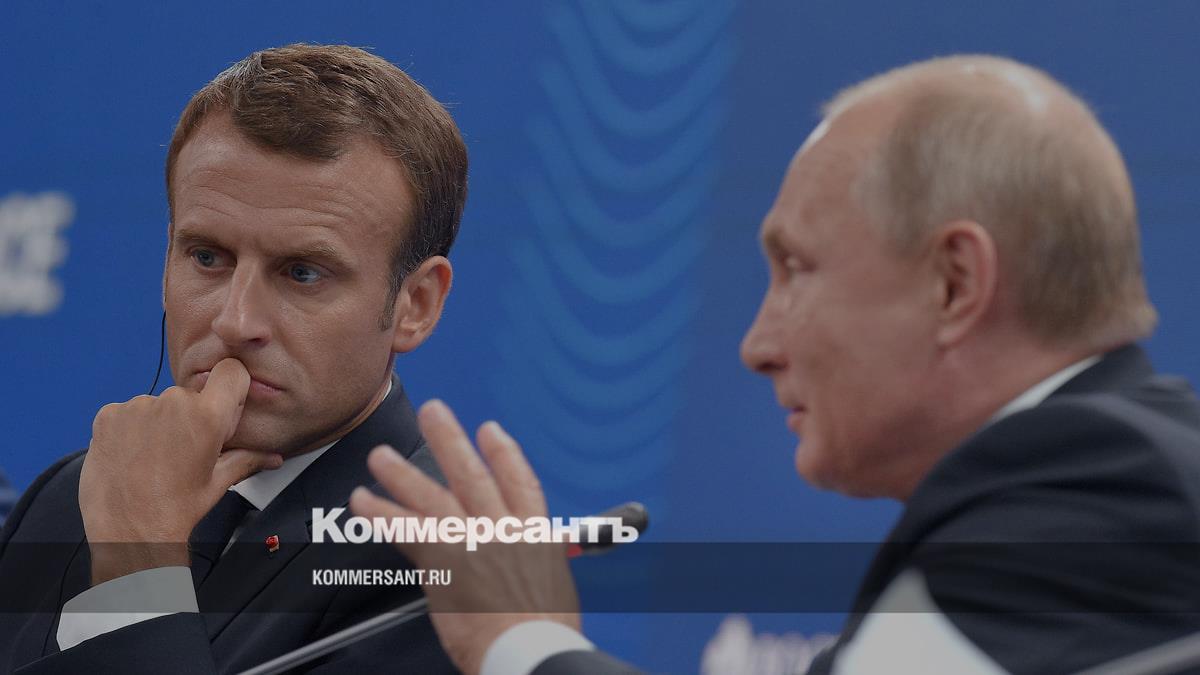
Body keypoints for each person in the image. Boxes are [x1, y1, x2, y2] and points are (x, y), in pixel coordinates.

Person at [350, 55, 1200, 674]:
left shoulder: (1110, 490)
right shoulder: (1077, 493)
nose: (757, 344)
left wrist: (521, 639)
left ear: (955, 283)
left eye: (796, 268)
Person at [0, 44, 466, 673]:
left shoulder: (451, 567)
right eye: (207, 257)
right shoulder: (68, 497)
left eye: (303, 273)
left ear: (416, 304)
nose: (234, 321)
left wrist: (138, 571)